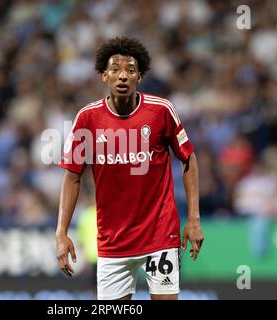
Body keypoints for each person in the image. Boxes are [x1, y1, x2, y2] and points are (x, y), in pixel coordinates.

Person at [55, 36, 204, 300]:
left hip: (160, 234)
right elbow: (72, 176)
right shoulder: (87, 119)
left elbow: (189, 159)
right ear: (104, 76)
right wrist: (61, 233)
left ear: (139, 77)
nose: (122, 76)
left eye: (130, 70)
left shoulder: (161, 111)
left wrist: (193, 218)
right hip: (113, 242)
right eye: (115, 70)